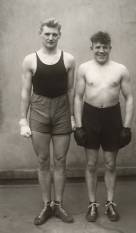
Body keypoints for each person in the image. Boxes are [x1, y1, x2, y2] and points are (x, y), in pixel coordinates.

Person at [19, 18, 75, 225]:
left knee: (60, 161)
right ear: (40, 34)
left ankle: (58, 205)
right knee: (43, 161)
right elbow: (26, 92)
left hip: (62, 111)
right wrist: (22, 121)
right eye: (47, 34)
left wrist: (72, 116)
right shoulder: (30, 60)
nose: (51, 37)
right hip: (39, 111)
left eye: (54, 34)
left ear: (59, 35)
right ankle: (46, 205)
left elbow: (71, 90)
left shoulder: (68, 59)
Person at [74, 31, 134, 222]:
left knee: (110, 163)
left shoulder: (120, 69)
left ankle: (109, 203)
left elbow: (129, 98)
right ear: (92, 48)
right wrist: (78, 126)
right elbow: (77, 97)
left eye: (104, 47)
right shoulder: (84, 68)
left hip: (112, 118)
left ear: (110, 48)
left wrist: (127, 126)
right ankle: (92, 204)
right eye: (97, 47)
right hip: (90, 117)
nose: (101, 51)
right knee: (91, 164)